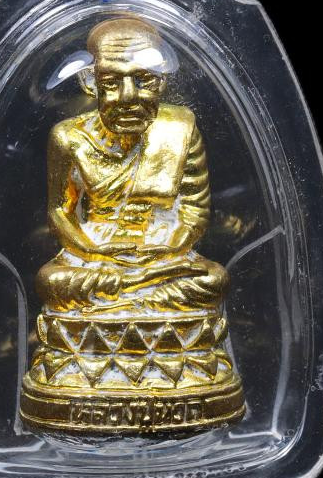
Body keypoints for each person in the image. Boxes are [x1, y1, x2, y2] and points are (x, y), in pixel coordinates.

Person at [36, 16, 228, 314]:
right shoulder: (69, 137)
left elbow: (194, 211)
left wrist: (169, 249)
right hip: (96, 253)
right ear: (90, 83)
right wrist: (93, 251)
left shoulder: (179, 129)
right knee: (51, 281)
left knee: (213, 279)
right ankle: (142, 297)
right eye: (111, 82)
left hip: (162, 252)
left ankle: (126, 302)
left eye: (143, 80)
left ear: (161, 80)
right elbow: (60, 212)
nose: (128, 97)